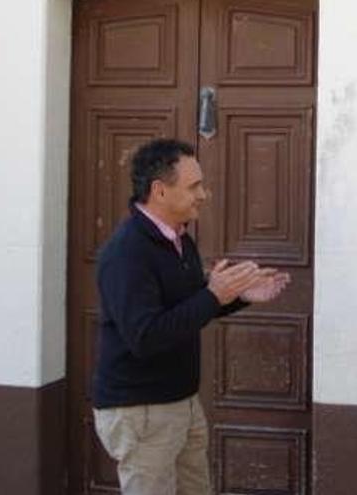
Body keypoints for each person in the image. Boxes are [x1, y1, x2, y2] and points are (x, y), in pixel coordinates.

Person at [92, 138, 291, 495]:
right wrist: (215, 294)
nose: (204, 194)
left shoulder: (180, 240)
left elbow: (188, 306)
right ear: (160, 191)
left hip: (180, 402)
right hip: (141, 411)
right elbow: (147, 337)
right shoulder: (126, 253)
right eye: (194, 185)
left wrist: (238, 296)